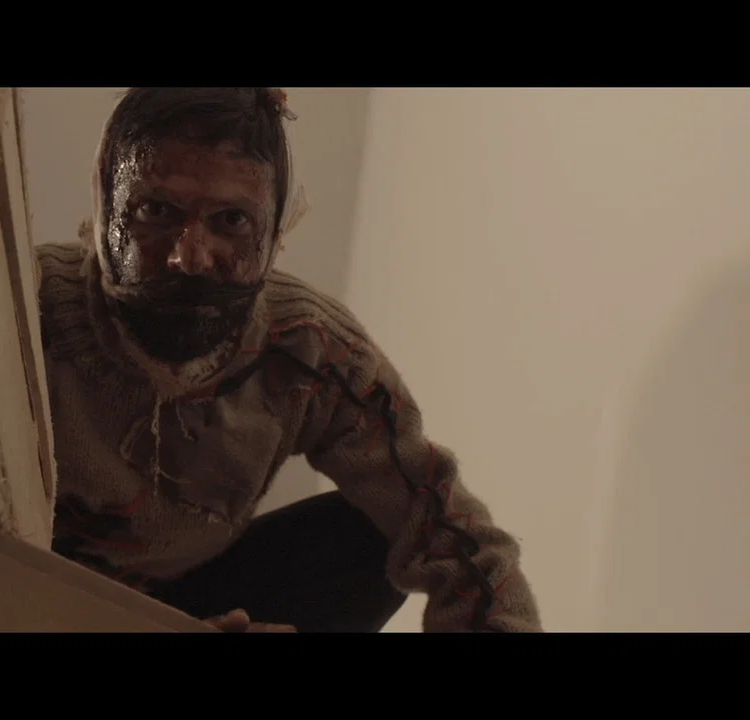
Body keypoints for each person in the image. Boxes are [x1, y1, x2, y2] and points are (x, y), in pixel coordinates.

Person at [37, 87, 542, 632]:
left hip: (175, 603)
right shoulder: (26, 299)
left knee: (364, 536)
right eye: (154, 210)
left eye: (232, 221)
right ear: (104, 201)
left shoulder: (310, 349)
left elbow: (456, 536)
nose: (191, 257)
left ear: (276, 231)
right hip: (10, 584)